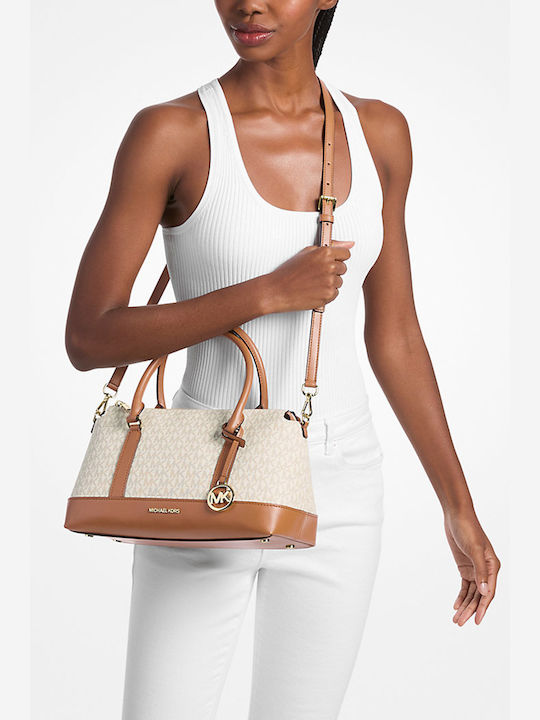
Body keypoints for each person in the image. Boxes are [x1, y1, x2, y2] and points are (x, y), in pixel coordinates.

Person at [65, 1, 501, 718]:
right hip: (202, 471)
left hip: (342, 486)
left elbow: (395, 333)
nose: (248, 3)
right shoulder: (172, 132)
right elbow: (89, 336)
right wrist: (267, 293)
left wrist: (459, 507)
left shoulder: (380, 133)